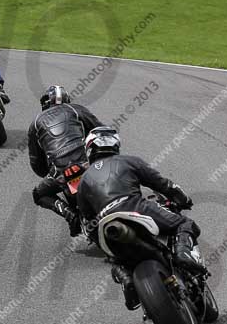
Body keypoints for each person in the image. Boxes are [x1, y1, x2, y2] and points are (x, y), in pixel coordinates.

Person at [77, 126, 203, 310]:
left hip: (105, 224)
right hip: (134, 206)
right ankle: (183, 253)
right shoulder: (128, 161)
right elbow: (162, 184)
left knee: (116, 258)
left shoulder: (83, 181)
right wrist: (183, 199)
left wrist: (103, 244)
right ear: (115, 144)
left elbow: (87, 221)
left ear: (90, 149)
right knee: (185, 223)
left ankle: (126, 278)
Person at [28, 85, 103, 236]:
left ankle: (69, 214)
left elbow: (36, 161)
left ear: (45, 103)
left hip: (60, 172)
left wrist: (47, 173)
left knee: (39, 194)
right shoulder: (76, 109)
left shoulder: (35, 124)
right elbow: (101, 129)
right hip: (86, 163)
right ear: (67, 99)